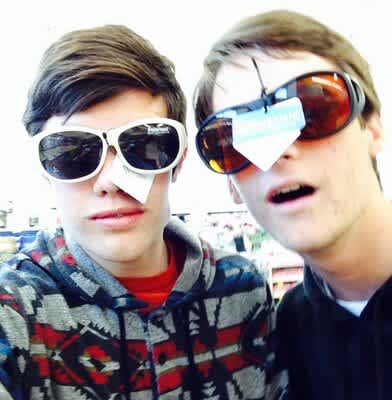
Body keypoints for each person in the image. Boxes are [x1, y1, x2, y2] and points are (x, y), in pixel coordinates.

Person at [0, 24, 277, 399]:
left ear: (178, 160)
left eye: (145, 145)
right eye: (72, 152)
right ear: (45, 170)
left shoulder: (244, 290)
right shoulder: (15, 310)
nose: (109, 183)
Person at [193, 9, 392, 400]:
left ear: (372, 129)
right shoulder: (282, 333)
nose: (278, 152)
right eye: (236, 138)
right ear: (232, 186)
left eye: (313, 110)